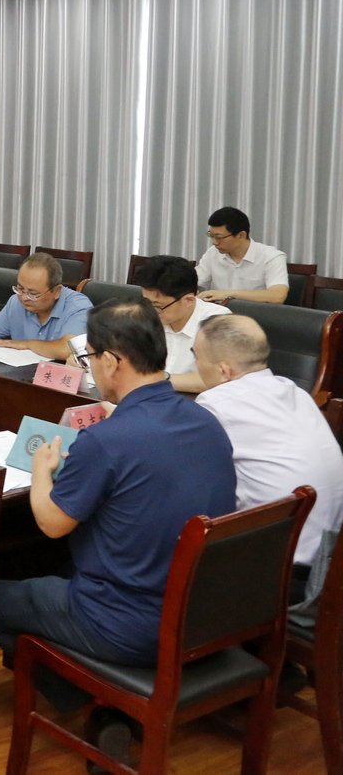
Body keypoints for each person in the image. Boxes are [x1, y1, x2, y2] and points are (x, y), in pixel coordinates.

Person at [0, 299, 236, 759]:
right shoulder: (206, 421)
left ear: (113, 361)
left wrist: (42, 469)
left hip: (127, 623)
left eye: (90, 357)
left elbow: (51, 523)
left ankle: (97, 703)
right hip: (206, 612)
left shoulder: (107, 440)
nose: (91, 367)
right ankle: (106, 706)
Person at [193, 314, 343, 574]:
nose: (195, 365)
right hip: (330, 555)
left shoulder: (218, 403)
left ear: (224, 370)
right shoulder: (295, 392)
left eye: (196, 357)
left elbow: (189, 475)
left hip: (278, 566)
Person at [0, 252, 93, 360]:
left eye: (33, 293)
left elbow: (68, 350)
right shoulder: (16, 301)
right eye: (20, 288)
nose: (24, 297)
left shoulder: (78, 307)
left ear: (56, 291)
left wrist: (27, 344)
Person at [135, 254, 229, 393]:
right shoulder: (146, 315)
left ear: (188, 300)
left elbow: (220, 378)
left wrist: (160, 379)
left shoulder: (217, 322)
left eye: (158, 305)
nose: (152, 311)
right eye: (147, 302)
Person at [196, 207, 289, 304]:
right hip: (219, 312)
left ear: (241, 236)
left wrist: (228, 294)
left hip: (254, 312)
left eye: (219, 237)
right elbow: (195, 281)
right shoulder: (213, 253)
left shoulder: (272, 257)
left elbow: (278, 296)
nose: (214, 242)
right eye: (211, 236)